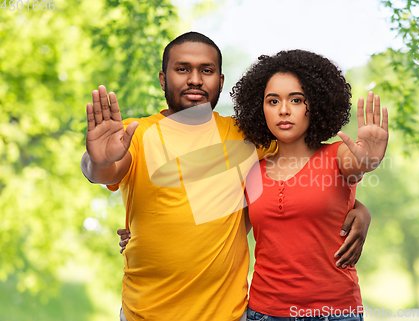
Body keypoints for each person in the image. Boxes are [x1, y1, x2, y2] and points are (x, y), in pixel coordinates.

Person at [82, 32, 371, 321]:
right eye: (182, 69)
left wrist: (357, 208)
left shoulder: (248, 136)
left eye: (206, 71)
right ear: (162, 78)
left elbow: (306, 166)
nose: (195, 79)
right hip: (144, 313)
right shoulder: (137, 134)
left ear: (220, 82)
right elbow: (104, 170)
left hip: (228, 314)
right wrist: (97, 160)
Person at [231, 50, 389, 320]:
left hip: (335, 312)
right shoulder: (252, 172)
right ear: (261, 109)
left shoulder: (337, 156)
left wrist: (369, 161)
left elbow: (356, 165)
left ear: (315, 104)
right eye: (273, 101)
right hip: (264, 312)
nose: (284, 110)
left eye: (296, 99)